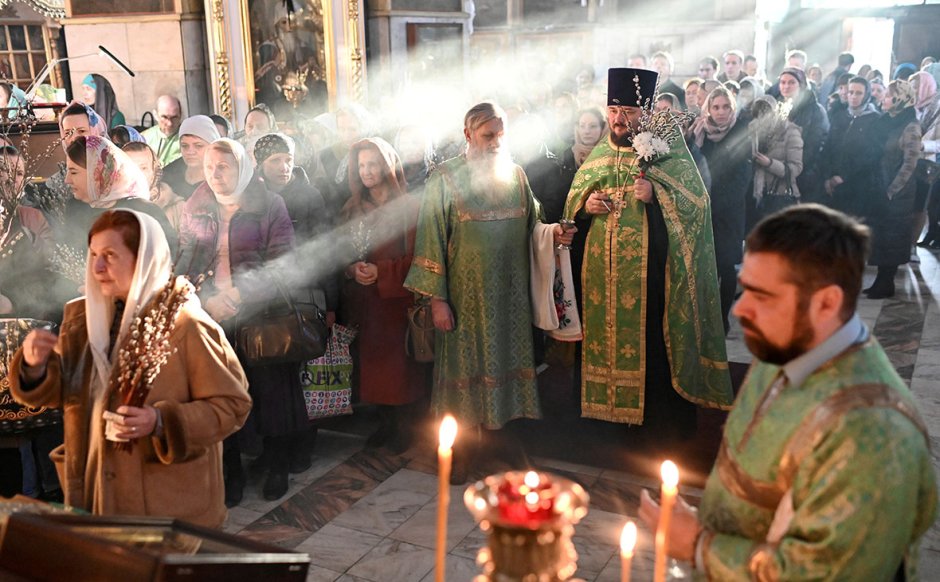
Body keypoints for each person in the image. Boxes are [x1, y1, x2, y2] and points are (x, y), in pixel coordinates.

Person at [639, 204, 937, 581]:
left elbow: (827, 574)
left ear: (826, 303)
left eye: (762, 296)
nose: (741, 308)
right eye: (745, 288)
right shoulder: (782, 348)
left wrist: (700, 545)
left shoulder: (873, 434)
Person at [10, 209, 251, 527]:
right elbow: (73, 397)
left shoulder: (186, 324)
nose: (96, 267)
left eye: (110, 255)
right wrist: (35, 367)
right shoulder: (84, 319)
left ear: (143, 259)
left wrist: (161, 421)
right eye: (93, 254)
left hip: (165, 503)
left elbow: (233, 406)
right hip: (98, 493)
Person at [404, 102, 574, 482]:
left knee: (506, 371)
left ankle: (503, 445)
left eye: (501, 134)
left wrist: (554, 234)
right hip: (464, 301)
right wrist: (437, 299)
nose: (496, 142)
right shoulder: (445, 180)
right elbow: (431, 241)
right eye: (487, 136)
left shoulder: (515, 175)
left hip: (510, 300)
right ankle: (462, 452)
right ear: (468, 135)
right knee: (466, 374)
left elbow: (534, 226)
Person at [563, 69, 732, 439]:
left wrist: (657, 200)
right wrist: (585, 208)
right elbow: (571, 211)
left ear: (646, 112)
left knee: (651, 344)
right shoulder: (598, 155)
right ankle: (598, 422)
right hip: (598, 279)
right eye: (612, 110)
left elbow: (697, 206)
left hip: (650, 278)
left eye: (628, 111)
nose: (619, 119)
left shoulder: (666, 152)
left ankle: (648, 425)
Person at [176, 138, 296, 505]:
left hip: (261, 312)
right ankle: (231, 473)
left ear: (241, 168)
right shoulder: (196, 205)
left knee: (270, 393)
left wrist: (241, 296)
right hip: (211, 314)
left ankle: (277, 466)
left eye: (223, 166)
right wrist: (202, 297)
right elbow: (186, 260)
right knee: (219, 393)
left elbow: (283, 262)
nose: (215, 174)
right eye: (210, 167)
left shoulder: (270, 204)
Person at [340, 137, 424, 453]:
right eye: (361, 165)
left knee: (399, 370)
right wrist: (352, 270)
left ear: (387, 166)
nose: (367, 171)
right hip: (366, 304)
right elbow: (340, 254)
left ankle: (406, 427)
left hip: (396, 302)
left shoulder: (410, 208)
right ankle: (386, 424)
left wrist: (383, 272)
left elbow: (419, 257)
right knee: (372, 369)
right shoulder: (351, 209)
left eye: (373, 164)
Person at [692, 86, 752, 333]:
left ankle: (723, 317)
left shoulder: (741, 134)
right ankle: (703, 316)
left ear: (733, 108)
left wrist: (714, 205)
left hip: (729, 212)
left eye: (726, 107)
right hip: (702, 210)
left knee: (726, 266)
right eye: (715, 107)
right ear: (708, 108)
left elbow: (742, 180)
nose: (721, 112)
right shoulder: (699, 135)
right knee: (705, 266)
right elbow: (692, 169)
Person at [64, 135, 178, 256]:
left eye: (73, 172)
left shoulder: (144, 211)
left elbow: (170, 257)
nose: (67, 180)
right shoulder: (75, 207)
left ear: (97, 173)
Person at [864, 80, 921, 299]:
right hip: (880, 184)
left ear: (900, 99)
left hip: (898, 190)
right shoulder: (887, 121)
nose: (884, 99)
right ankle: (880, 279)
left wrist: (892, 189)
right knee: (881, 235)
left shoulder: (911, 125)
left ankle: (886, 281)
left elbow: (910, 164)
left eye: (888, 96)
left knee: (892, 235)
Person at [822, 76, 883, 220]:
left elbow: (870, 155)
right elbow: (828, 147)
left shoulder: (875, 120)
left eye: (859, 93)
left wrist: (843, 176)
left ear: (866, 95)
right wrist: (827, 176)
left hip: (858, 184)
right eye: (851, 92)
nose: (853, 96)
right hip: (832, 182)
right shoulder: (839, 116)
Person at [748, 97, 803, 226]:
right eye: (759, 113)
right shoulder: (752, 131)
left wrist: (769, 163)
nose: (763, 117)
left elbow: (796, 168)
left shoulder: (790, 132)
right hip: (755, 195)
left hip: (779, 194)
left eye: (766, 112)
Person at [778, 68, 829, 205]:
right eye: (782, 82)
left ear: (801, 85)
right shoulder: (779, 108)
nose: (786, 86)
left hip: (805, 175)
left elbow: (815, 144)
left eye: (791, 82)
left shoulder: (815, 111)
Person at [122, 141, 185, 232]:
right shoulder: (106, 205)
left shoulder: (178, 208)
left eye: (143, 168)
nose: (136, 174)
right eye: (129, 167)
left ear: (154, 171)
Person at [161, 115, 221, 200]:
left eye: (198, 146)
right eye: (184, 146)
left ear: (213, 146)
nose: (190, 152)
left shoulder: (223, 177)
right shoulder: (167, 175)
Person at [913, 71, 940, 249]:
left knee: (928, 204)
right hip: (915, 161)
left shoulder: (936, 107)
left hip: (931, 162)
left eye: (916, 87)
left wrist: (923, 146)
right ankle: (931, 235)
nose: (914, 91)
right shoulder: (916, 107)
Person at [141, 95, 184, 166]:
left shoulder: (189, 138)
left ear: (180, 114)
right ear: (155, 115)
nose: (170, 123)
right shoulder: (144, 138)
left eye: (174, 117)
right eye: (164, 117)